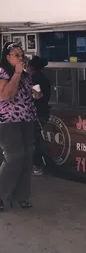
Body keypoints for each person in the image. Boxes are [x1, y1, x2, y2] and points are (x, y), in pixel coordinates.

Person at [0, 42, 41, 211]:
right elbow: (5, 96)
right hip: (8, 121)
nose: (21, 58)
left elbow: (25, 95)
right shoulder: (3, 72)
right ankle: (2, 195)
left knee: (27, 158)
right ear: (8, 57)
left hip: (27, 119)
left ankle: (21, 195)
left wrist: (35, 94)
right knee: (14, 158)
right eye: (17, 55)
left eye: (22, 55)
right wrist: (16, 73)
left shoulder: (25, 75)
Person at [26, 56, 51, 176]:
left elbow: (37, 96)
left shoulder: (35, 80)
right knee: (36, 140)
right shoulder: (44, 78)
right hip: (43, 112)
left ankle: (37, 165)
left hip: (36, 114)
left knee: (34, 141)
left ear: (31, 67)